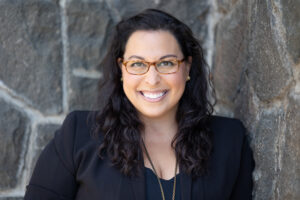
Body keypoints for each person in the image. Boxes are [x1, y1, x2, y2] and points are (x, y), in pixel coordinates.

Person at [24, 9, 254, 200]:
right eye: (137, 64)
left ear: (187, 68)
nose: (152, 79)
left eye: (166, 63)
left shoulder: (230, 140)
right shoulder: (78, 136)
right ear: (122, 70)